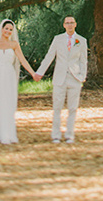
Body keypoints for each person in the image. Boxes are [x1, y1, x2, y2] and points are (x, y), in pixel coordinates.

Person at [34, 15, 88, 143]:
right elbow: (49, 57)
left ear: (75, 24)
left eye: (72, 22)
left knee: (72, 108)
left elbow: (83, 61)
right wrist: (39, 72)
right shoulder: (57, 39)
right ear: (64, 25)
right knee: (57, 107)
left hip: (75, 78)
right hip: (60, 78)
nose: (69, 25)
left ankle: (70, 135)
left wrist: (82, 76)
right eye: (67, 23)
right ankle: (56, 135)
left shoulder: (82, 41)